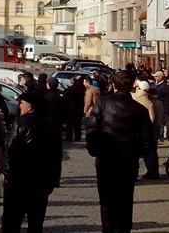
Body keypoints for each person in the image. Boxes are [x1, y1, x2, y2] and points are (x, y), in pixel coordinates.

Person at [86, 71, 156, 233]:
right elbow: (148, 140)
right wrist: (138, 152)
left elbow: (91, 129)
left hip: (106, 159)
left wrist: (94, 150)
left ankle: (108, 228)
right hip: (128, 161)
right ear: (131, 86)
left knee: (106, 199)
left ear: (113, 85)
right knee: (125, 199)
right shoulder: (139, 109)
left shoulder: (102, 104)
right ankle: (123, 229)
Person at [1, 92, 63, 233]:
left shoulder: (20, 123)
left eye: (21, 103)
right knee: (36, 221)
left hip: (19, 180)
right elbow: (56, 157)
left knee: (12, 220)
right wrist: (53, 181)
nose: (19, 106)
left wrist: (8, 176)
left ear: (29, 107)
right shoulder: (53, 126)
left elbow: (10, 151)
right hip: (42, 181)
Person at [130, 80, 159, 180]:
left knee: (134, 154)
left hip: (135, 129)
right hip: (147, 130)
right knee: (150, 152)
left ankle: (134, 174)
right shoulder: (150, 101)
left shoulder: (133, 97)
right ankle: (153, 172)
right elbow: (152, 118)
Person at [64, 75, 86, 141]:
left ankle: (69, 137)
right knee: (77, 124)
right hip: (79, 109)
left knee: (69, 124)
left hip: (70, 109)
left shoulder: (69, 89)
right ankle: (77, 137)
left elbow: (65, 99)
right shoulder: (82, 89)